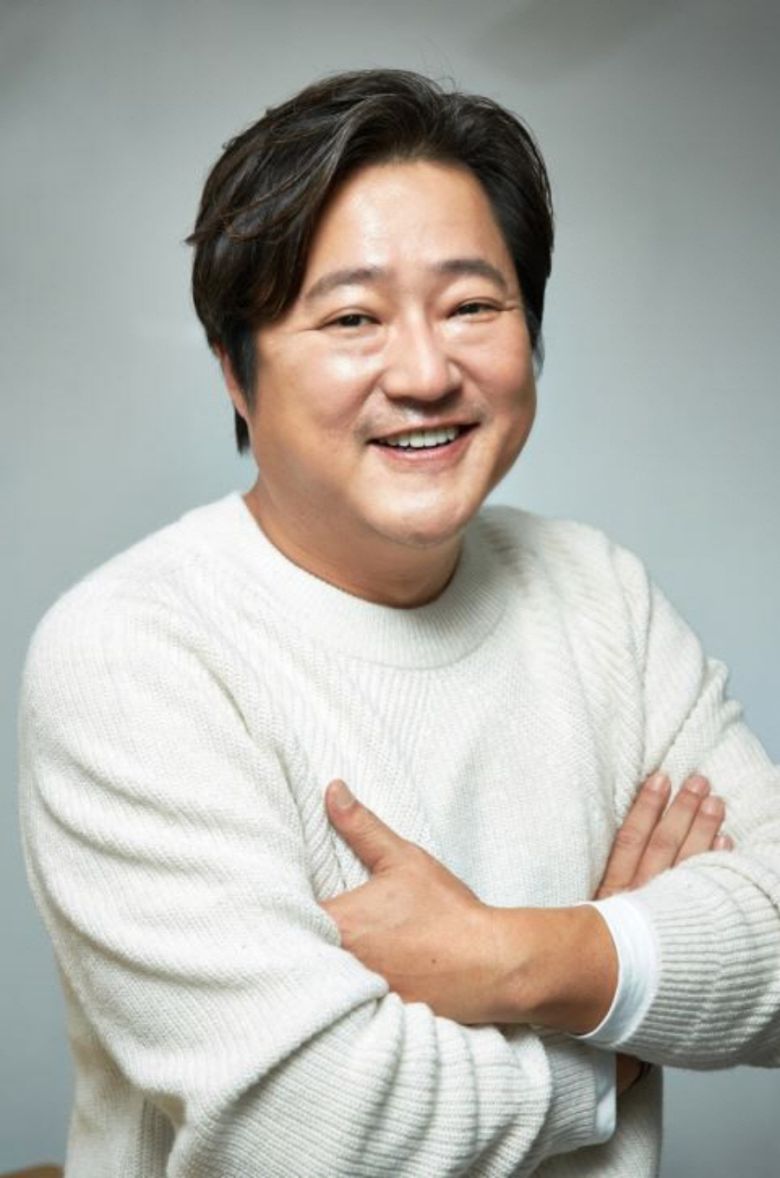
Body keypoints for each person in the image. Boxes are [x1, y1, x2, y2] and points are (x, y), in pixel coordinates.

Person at [18, 68, 780, 1177]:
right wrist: (622, 1022)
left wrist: (513, 958)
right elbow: (316, 1129)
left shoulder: (597, 594)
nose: (426, 373)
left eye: (472, 306)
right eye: (352, 318)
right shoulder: (133, 655)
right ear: (236, 371)